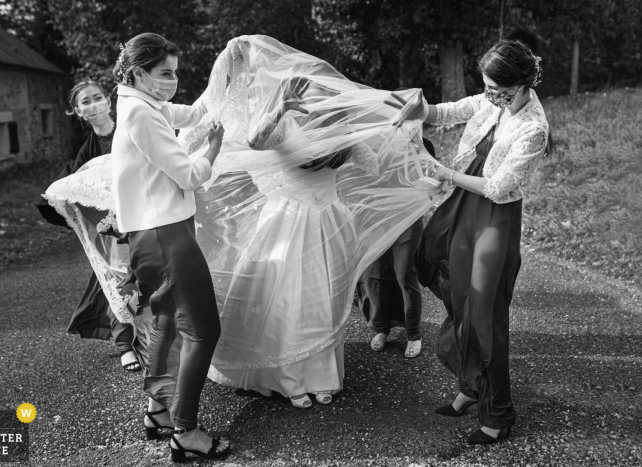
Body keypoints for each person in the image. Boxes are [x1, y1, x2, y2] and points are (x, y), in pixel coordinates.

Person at [177, 36, 445, 410]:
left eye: (321, 95)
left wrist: (395, 143)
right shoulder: (285, 125)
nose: (316, 101)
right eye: (309, 94)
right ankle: (286, 378)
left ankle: (320, 377)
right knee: (286, 298)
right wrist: (280, 110)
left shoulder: (341, 134)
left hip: (329, 221)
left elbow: (374, 166)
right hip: (287, 220)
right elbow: (255, 142)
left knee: (324, 300)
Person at [386, 39, 549, 444]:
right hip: (461, 205)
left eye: (495, 88)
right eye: (486, 87)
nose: (489, 95)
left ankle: (497, 414)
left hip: (494, 217)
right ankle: (471, 382)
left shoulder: (533, 129)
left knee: (484, 314)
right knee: (439, 275)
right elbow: (448, 112)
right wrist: (418, 105)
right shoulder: (493, 99)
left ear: (519, 84)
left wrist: (445, 173)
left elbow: (497, 187)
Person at [110, 33, 229, 462]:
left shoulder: (142, 103)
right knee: (204, 330)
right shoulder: (141, 114)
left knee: (167, 321)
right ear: (138, 73)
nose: (172, 81)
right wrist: (212, 150)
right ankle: (187, 432)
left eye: (175, 73)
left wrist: (226, 71)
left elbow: (195, 111)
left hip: (152, 234)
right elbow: (188, 175)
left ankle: (158, 409)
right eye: (165, 73)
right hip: (166, 236)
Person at [36, 80, 140, 372]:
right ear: (77, 112)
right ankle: (124, 345)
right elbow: (76, 190)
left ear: (109, 101)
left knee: (151, 274)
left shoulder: (131, 131)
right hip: (110, 226)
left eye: (98, 98)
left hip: (142, 213)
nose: (93, 104)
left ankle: (151, 335)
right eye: (86, 102)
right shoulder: (85, 152)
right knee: (119, 278)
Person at [357, 132, 436, 358]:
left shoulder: (425, 145)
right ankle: (381, 328)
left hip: (407, 220)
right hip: (378, 218)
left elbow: (433, 180)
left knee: (404, 275)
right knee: (374, 274)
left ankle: (413, 333)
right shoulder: (377, 145)